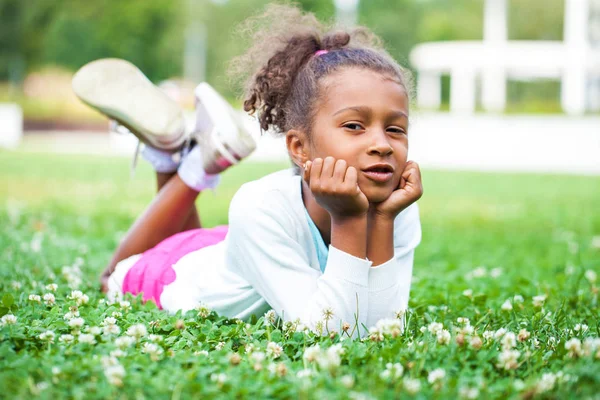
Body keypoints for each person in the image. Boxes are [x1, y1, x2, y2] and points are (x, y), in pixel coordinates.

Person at [72, 4, 423, 334]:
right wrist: (349, 220)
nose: (382, 144)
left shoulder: (396, 210)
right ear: (299, 148)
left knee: (205, 252)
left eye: (396, 129)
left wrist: (381, 221)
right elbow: (332, 333)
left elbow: (381, 327)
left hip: (228, 250)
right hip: (182, 278)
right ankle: (188, 162)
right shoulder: (260, 206)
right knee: (110, 280)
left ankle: (171, 152)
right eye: (354, 126)